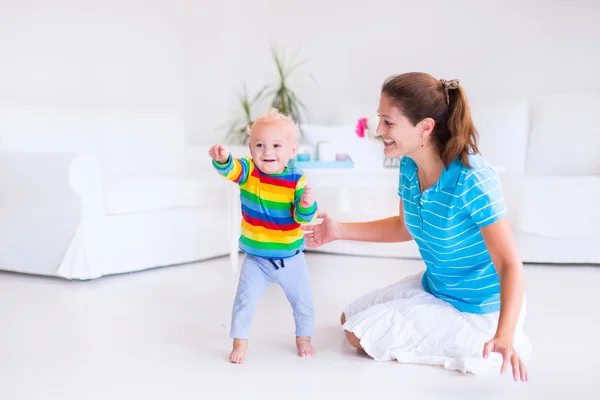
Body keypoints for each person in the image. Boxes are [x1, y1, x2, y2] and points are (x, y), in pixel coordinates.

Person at [302, 72, 531, 381]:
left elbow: (509, 263)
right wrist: (338, 230)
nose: (378, 130)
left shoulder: (472, 178)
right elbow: (404, 226)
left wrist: (504, 333)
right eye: (379, 119)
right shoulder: (409, 164)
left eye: (389, 122)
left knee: (357, 336)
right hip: (437, 288)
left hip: (478, 310)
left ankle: (487, 342)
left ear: (425, 127)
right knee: (349, 318)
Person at [209, 108, 318, 364]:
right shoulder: (249, 172)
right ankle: (240, 341)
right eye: (260, 145)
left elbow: (303, 217)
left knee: (303, 303)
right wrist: (224, 159)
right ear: (250, 148)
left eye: (277, 145)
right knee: (244, 302)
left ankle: (304, 338)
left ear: (292, 151)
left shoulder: (296, 180)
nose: (268, 152)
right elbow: (231, 170)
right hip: (256, 260)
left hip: (291, 260)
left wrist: (306, 203)